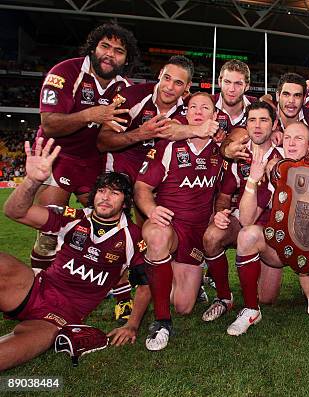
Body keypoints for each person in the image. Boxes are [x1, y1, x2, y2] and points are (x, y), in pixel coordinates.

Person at [0, 138, 147, 370]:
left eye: (115, 193)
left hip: (58, 318)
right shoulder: (74, 218)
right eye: (102, 190)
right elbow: (14, 212)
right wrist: (33, 180)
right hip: (35, 288)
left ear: (126, 201)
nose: (105, 197)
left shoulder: (133, 236)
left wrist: (132, 324)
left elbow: (146, 285)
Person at [32, 23, 139, 323]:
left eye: (119, 51)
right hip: (59, 157)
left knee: (114, 232)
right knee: (48, 233)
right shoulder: (65, 72)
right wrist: (93, 114)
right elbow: (51, 123)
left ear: (126, 59)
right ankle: (39, 290)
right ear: (93, 46)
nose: (110, 55)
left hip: (97, 162)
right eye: (105, 46)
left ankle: (123, 299)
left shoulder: (126, 90)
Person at [227, 122, 309, 336]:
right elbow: (247, 218)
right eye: (287, 138)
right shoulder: (274, 170)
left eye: (298, 139)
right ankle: (251, 309)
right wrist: (252, 180)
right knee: (248, 235)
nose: (291, 143)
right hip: (278, 245)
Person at [134, 92, 224, 351]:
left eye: (205, 107)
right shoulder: (168, 146)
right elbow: (141, 188)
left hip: (196, 233)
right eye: (192, 106)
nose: (197, 111)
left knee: (184, 306)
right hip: (171, 226)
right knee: (157, 236)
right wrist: (151, 210)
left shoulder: (220, 150)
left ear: (214, 116)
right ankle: (162, 322)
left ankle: (169, 271)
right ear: (186, 114)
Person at [201, 101, 284, 323]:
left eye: (264, 120)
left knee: (267, 297)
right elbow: (225, 196)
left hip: (273, 230)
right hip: (245, 223)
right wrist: (220, 212)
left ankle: (255, 295)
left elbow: (250, 218)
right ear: (245, 125)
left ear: (275, 124)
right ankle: (224, 298)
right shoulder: (240, 156)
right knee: (212, 235)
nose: (257, 126)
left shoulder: (282, 156)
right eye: (252, 120)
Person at [98, 55, 217, 186]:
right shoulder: (132, 96)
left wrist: (217, 133)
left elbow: (178, 128)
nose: (170, 87)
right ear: (160, 74)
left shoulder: (190, 106)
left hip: (157, 179)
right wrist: (138, 134)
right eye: (167, 78)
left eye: (178, 83)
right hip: (121, 175)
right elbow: (102, 142)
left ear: (188, 86)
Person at [214, 59, 258, 138]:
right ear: (219, 82)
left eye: (238, 84)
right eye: (227, 82)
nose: (231, 89)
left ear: (247, 86)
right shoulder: (207, 103)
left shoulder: (257, 106)